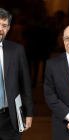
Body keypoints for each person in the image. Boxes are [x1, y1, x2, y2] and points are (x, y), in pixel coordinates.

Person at [0, 8, 34, 140]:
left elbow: (26, 83)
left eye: (4, 25)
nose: (0, 29)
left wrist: (29, 113)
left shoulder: (16, 50)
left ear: (9, 28)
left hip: (11, 117)